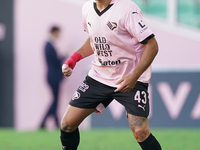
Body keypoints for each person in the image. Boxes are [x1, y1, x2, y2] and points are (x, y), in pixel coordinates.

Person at [60, 0, 162, 149]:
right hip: (99, 77)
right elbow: (95, 39)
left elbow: (152, 45)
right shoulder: (87, 8)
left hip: (131, 78)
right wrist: (74, 59)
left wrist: (134, 76)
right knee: (67, 124)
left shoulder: (127, 9)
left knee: (140, 131)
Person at [40, 26, 64, 128]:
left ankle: (49, 123)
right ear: (54, 32)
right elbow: (55, 62)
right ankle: (46, 123)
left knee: (55, 101)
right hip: (53, 77)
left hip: (53, 76)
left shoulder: (49, 45)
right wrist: (65, 55)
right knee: (55, 101)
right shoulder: (48, 45)